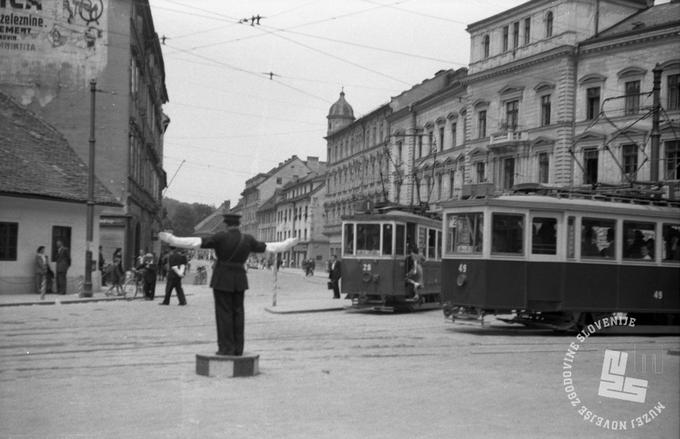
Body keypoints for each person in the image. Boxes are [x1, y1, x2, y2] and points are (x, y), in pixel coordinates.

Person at [159, 213, 298, 356]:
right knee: (238, 313)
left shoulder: (220, 237)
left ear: (226, 225)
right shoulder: (247, 239)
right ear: (238, 225)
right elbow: (269, 247)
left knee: (223, 314)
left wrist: (173, 240)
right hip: (240, 280)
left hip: (222, 279)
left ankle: (226, 348)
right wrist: (287, 243)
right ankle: (238, 348)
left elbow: (196, 242)